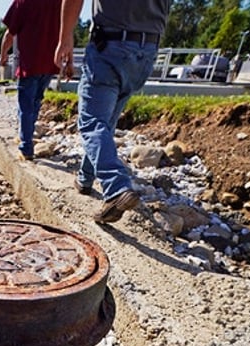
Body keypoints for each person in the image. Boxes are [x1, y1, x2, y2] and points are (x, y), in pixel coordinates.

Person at [54, 0, 172, 223]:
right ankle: (85, 178)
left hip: (111, 43)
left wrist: (65, 38)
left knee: (92, 122)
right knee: (105, 123)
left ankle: (116, 187)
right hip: (147, 49)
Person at [0, 0, 63, 161]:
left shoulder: (23, 2)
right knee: (36, 102)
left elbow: (9, 33)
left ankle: (26, 147)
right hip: (50, 63)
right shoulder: (59, 3)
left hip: (30, 64)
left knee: (25, 106)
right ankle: (25, 135)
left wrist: (3, 54)